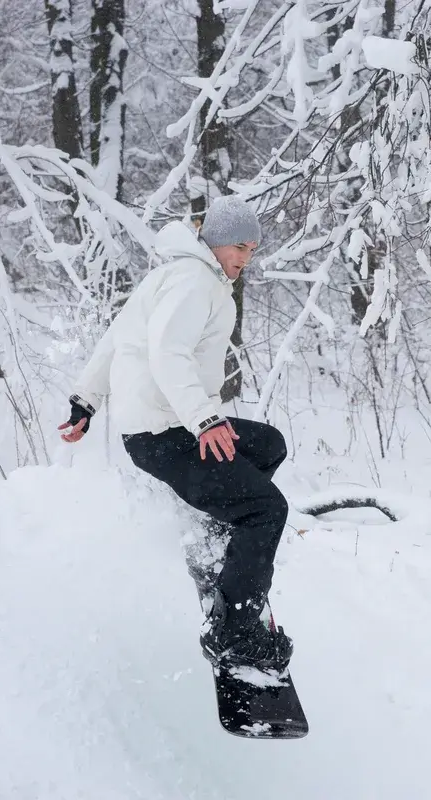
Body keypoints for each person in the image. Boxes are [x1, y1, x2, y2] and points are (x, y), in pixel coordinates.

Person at [57, 195, 293, 674]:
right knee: (267, 510)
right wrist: (206, 418)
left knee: (267, 445)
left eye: (251, 249)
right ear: (215, 241)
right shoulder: (193, 281)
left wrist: (85, 400)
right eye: (239, 247)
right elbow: (168, 354)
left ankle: (216, 529)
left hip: (170, 424)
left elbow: (117, 338)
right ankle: (234, 634)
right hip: (168, 432)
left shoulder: (174, 275)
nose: (245, 258)